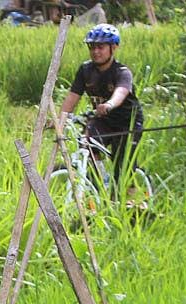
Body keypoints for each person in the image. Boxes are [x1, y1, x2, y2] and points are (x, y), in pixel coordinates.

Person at [59, 24, 144, 196]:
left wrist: (110, 105)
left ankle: (132, 202)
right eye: (92, 47)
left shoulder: (122, 72)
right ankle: (97, 189)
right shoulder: (85, 70)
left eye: (101, 47)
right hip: (102, 120)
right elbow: (72, 97)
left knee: (124, 165)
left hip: (128, 122)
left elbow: (121, 92)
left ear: (113, 48)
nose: (95, 51)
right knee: (86, 145)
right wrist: (59, 120)